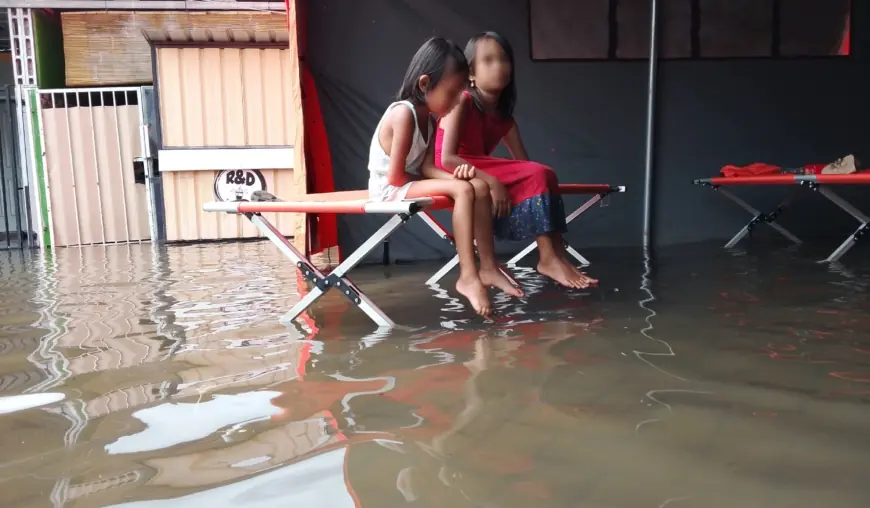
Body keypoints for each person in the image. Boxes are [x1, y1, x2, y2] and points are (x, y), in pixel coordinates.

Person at [427, 31, 597, 289]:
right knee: (540, 173)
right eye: (488, 60)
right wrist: (493, 182)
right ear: (471, 73)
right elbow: (446, 157)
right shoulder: (462, 100)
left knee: (545, 173)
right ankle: (548, 259)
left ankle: (557, 255)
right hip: (453, 170)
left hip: (478, 169)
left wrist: (524, 186)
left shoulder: (505, 118)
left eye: (504, 59)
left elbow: (526, 167)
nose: (499, 66)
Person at [368, 37, 521, 319]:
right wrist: (453, 185)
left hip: (409, 181)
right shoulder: (404, 114)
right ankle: (467, 275)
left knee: (476, 186)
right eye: (451, 93)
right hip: (388, 188)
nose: (455, 102)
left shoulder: (430, 117)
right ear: (425, 84)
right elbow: (397, 176)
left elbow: (427, 167)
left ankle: (488, 266)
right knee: (464, 192)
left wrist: (464, 174)